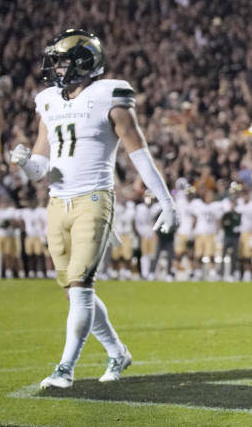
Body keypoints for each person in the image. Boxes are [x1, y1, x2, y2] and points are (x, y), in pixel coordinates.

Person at [10, 28, 179, 389]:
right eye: (54, 62)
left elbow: (138, 151)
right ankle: (118, 352)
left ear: (85, 63)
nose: (56, 69)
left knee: (82, 285)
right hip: (57, 203)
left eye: (63, 62)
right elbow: (41, 169)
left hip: (93, 199)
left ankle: (64, 369)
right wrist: (25, 162)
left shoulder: (109, 94)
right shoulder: (49, 102)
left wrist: (166, 200)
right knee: (73, 290)